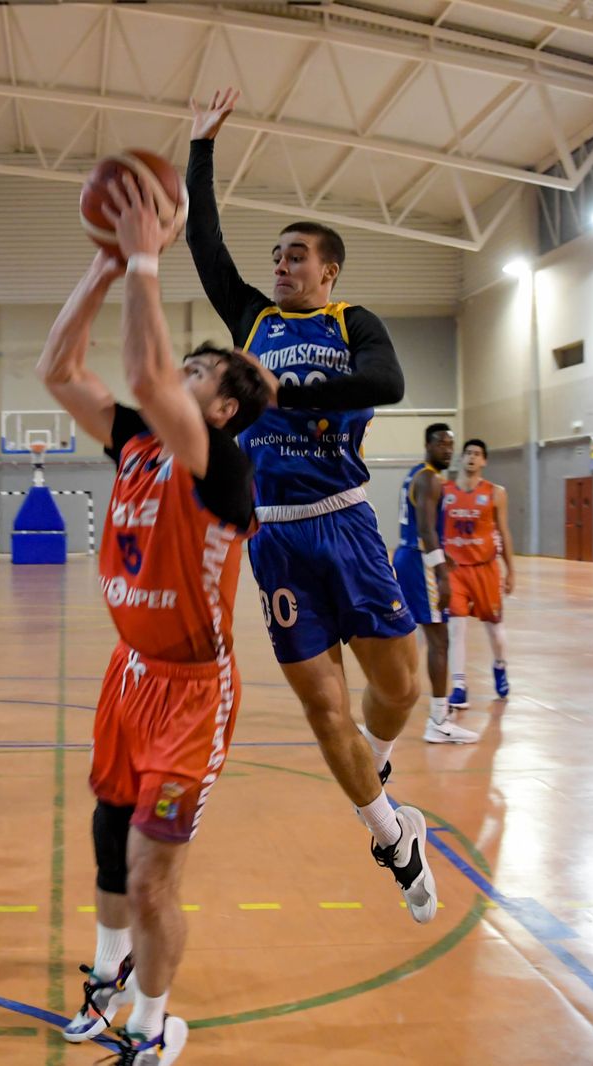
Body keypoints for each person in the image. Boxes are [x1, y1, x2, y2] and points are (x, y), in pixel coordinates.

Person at [185, 87, 437, 922]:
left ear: (328, 270)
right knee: (320, 706)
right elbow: (205, 243)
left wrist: (284, 390)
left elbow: (387, 383)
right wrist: (202, 146)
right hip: (277, 539)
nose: (281, 265)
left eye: (296, 255)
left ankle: (379, 759)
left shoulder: (350, 320)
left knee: (400, 688)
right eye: (277, 255)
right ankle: (392, 837)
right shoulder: (251, 316)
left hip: (348, 522)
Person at [42, 176, 269, 1065]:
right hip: (128, 675)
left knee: (150, 876)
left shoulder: (224, 467)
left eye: (197, 373)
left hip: (192, 694)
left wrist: (144, 257)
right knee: (109, 841)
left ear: (220, 409)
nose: (177, 373)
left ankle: (153, 1025)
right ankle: (107, 979)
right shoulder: (136, 440)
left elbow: (141, 372)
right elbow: (57, 371)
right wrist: (103, 269)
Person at [391, 426, 478, 744]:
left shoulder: (415, 474)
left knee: (407, 636)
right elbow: (426, 531)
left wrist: (442, 556)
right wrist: (441, 573)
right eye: (442, 444)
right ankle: (439, 721)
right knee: (439, 640)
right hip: (419, 561)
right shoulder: (430, 479)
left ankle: (385, 706)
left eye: (451, 445)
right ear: (427, 444)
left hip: (408, 555)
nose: (448, 450)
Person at [442, 439, 515, 709]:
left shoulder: (496, 493)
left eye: (477, 454)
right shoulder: (444, 491)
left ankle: (500, 664)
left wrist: (511, 570)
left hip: (486, 569)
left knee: (495, 630)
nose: (472, 457)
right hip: (455, 570)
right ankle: (459, 686)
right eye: (468, 453)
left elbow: (504, 532)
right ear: (461, 458)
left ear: (484, 461)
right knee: (456, 627)